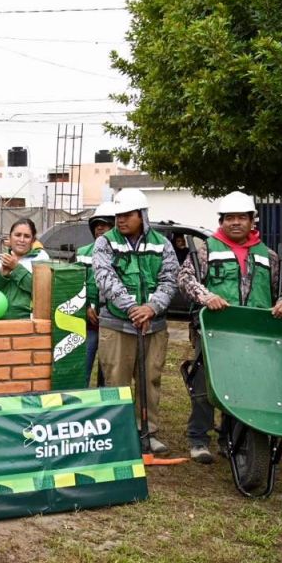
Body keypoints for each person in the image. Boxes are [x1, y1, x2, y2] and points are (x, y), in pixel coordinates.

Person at [178, 191, 282, 464]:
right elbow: (185, 278)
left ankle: (231, 440)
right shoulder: (206, 249)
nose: (235, 223)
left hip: (257, 334)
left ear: (251, 220)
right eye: (229, 218)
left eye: (241, 218)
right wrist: (206, 296)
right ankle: (199, 438)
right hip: (215, 331)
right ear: (221, 221)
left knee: (246, 388)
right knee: (205, 386)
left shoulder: (268, 255)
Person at [92, 188, 178, 455]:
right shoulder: (105, 243)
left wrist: (152, 307)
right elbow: (105, 278)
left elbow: (169, 278)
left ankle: (148, 432)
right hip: (117, 325)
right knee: (116, 381)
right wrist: (132, 308)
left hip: (154, 326)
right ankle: (117, 434)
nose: (121, 220)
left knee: (150, 379)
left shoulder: (162, 244)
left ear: (142, 215)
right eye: (118, 215)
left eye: (127, 215)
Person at [76, 202, 117, 387]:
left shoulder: (122, 254)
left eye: (106, 223)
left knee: (110, 372)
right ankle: (80, 407)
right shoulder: (83, 253)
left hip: (115, 322)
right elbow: (76, 284)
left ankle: (105, 408)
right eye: (96, 224)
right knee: (82, 367)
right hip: (88, 325)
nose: (100, 227)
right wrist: (85, 308)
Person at [0, 219, 50, 320]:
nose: (21, 240)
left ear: (33, 240)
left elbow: (42, 290)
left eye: (27, 236)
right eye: (17, 235)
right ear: (10, 238)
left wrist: (16, 268)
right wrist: (1, 275)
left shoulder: (40, 258)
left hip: (28, 322)